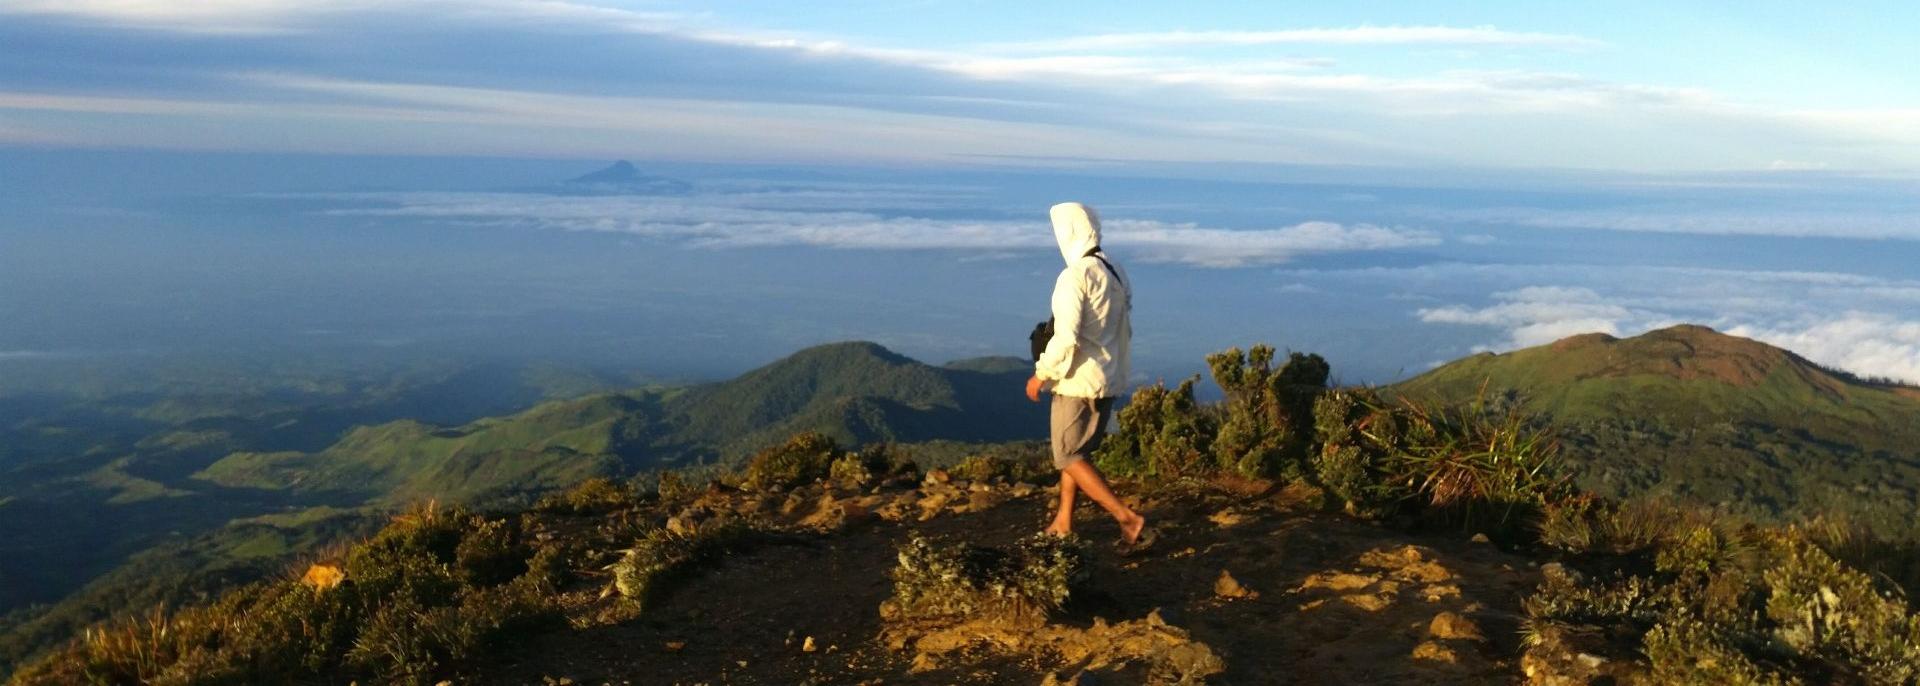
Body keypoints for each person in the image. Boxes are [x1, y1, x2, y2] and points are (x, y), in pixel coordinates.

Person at [1026, 202, 1149, 547]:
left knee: (1067, 455)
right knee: (1078, 452)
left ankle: (1128, 518)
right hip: (1109, 377)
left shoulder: (1074, 276)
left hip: (1078, 381)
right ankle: (1064, 520)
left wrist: (1041, 374)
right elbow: (1121, 327)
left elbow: (1067, 337)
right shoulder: (1114, 270)